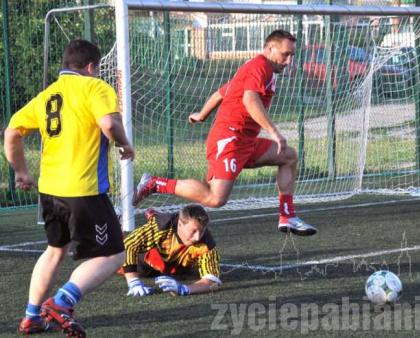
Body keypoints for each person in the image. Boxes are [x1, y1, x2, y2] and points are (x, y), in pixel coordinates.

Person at [4, 39, 134, 337]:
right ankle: (62, 302)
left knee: (54, 251)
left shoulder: (47, 95)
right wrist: (125, 145)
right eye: (97, 68)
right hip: (84, 191)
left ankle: (31, 316)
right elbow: (110, 125)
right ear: (91, 67)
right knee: (113, 255)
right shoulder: (95, 87)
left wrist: (22, 172)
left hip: (50, 191)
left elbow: (12, 131)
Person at [133, 30, 316, 236]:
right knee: (215, 198)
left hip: (245, 141)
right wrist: (274, 131)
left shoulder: (260, 70)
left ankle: (287, 216)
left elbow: (222, 92)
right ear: (269, 49)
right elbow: (250, 100)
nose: (289, 60)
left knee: (288, 156)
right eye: (285, 54)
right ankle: (155, 183)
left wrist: (201, 114)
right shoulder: (260, 66)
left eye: (292, 55)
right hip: (229, 139)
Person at [120, 204, 221, 296]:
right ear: (180, 224)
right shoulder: (161, 226)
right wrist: (133, 282)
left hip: (172, 270)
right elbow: (128, 245)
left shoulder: (207, 244)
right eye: (193, 231)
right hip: (142, 263)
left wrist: (185, 289)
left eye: (202, 231)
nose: (197, 237)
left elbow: (213, 281)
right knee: (113, 256)